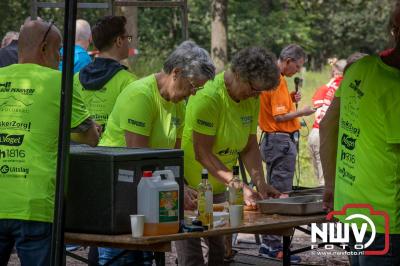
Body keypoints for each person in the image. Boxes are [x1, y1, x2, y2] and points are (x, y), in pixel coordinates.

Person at [99, 40, 215, 265]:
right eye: (192, 86)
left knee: (146, 258)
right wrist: (175, 188)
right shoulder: (141, 96)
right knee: (121, 257)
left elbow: (172, 157)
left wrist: (183, 185)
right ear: (176, 72)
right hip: (118, 187)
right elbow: (137, 159)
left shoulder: (178, 103)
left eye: (197, 89)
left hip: (146, 188)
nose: (192, 93)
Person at [0, 19, 99, 266]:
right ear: (43, 49)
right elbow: (90, 137)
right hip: (36, 204)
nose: (60, 59)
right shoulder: (59, 82)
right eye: (58, 51)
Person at [175, 47, 282, 266]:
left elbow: (250, 146)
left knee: (220, 254)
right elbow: (202, 153)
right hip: (192, 187)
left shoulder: (251, 100)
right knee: (193, 257)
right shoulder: (210, 97)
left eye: (259, 93)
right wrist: (240, 186)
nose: (256, 96)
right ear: (239, 75)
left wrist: (260, 183)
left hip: (220, 185)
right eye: (254, 89)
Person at [320, 2, 400, 265]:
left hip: (351, 209)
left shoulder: (359, 69)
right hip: (387, 222)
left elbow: (328, 127)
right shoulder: (394, 86)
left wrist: (330, 184)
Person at [258, 44, 315, 262]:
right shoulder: (277, 78)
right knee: (281, 194)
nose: (298, 71)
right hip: (279, 140)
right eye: (297, 66)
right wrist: (303, 111)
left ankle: (269, 243)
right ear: (288, 60)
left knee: (276, 190)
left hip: (275, 141)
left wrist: (290, 99)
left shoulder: (275, 78)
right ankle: (273, 247)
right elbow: (280, 117)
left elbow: (276, 108)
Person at [74, 16, 137, 130]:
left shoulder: (75, 78)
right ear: (119, 41)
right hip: (114, 147)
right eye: (128, 38)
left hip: (79, 146)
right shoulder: (129, 82)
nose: (129, 42)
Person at [308, 59, 346, 186]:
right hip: (326, 134)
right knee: (326, 182)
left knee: (321, 179)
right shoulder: (344, 85)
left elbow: (317, 112)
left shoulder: (327, 87)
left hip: (315, 131)